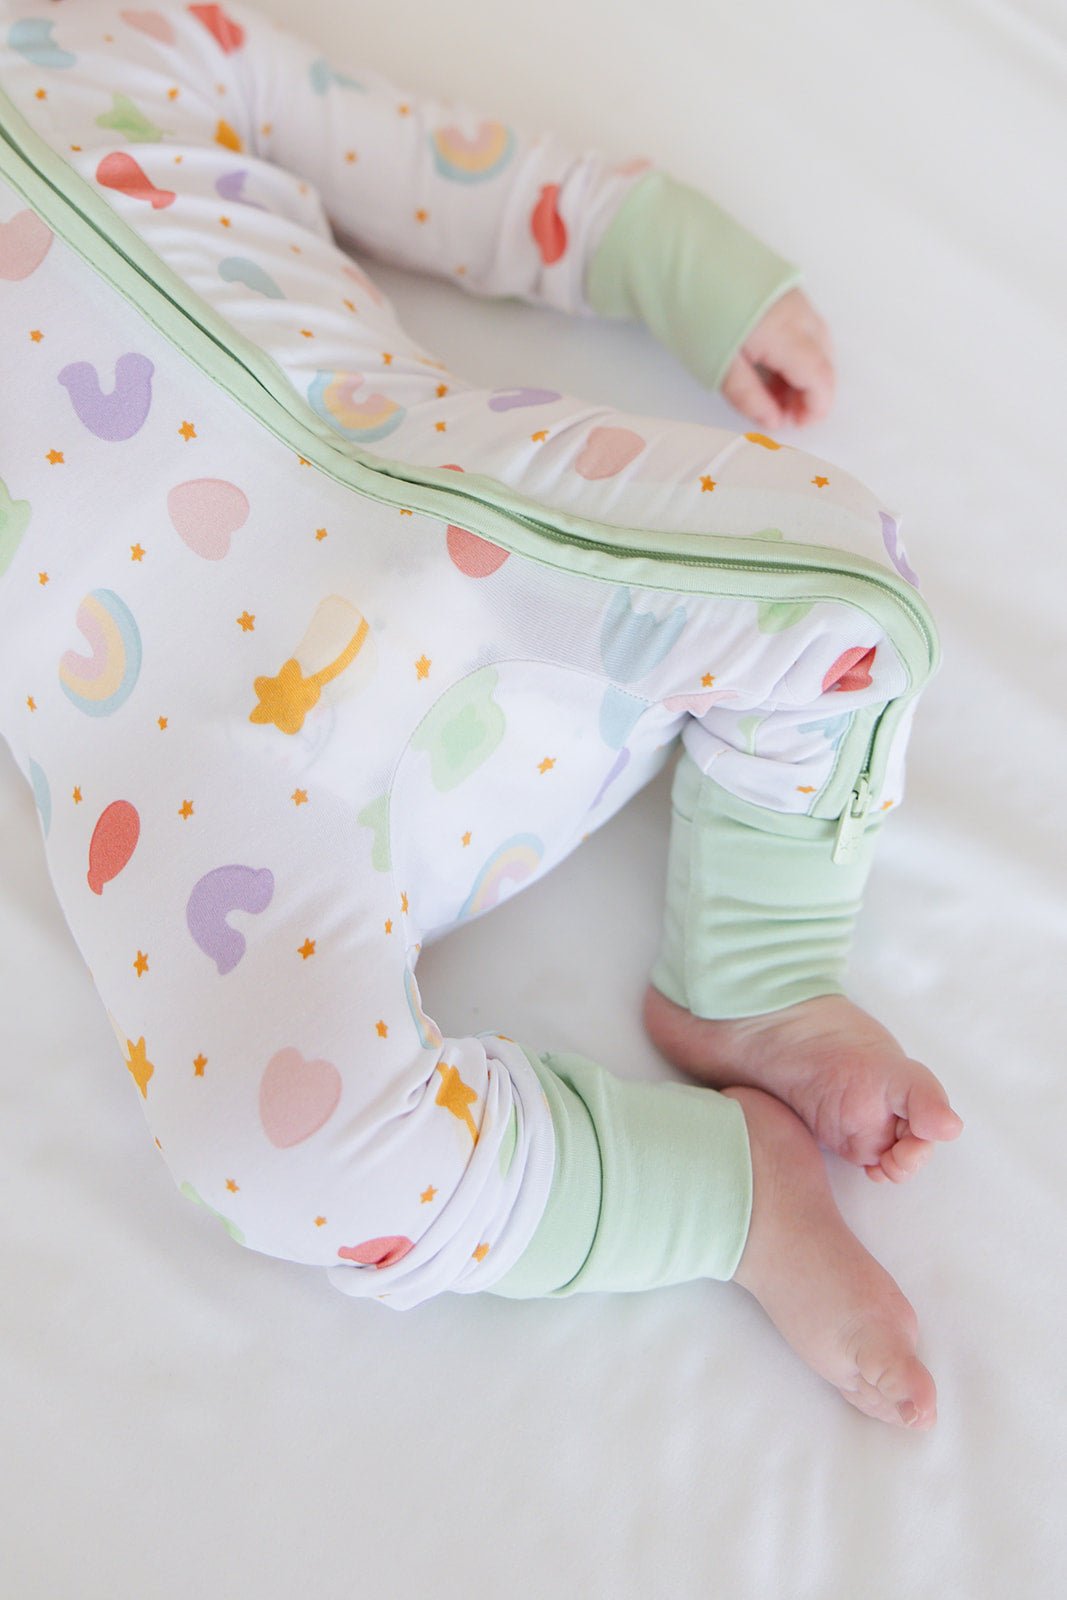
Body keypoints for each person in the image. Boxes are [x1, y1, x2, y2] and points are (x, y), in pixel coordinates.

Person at [0, 0, 961, 1429]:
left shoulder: (93, 34)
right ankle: (722, 1198)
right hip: (190, 765)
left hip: (461, 531)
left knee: (845, 591)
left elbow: (408, 155)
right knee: (270, 1150)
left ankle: (753, 969)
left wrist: (646, 243)